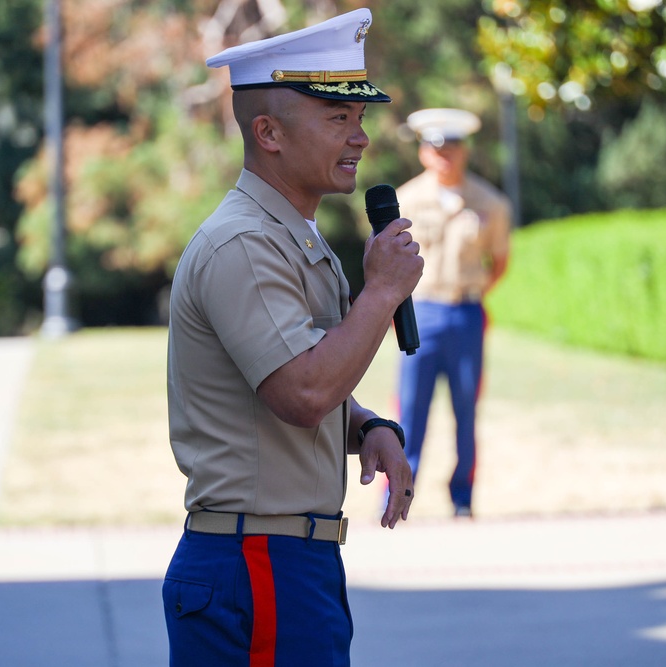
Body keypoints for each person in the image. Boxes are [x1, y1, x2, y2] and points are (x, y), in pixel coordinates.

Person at [163, 9, 422, 666]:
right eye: (337, 118)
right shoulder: (244, 243)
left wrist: (366, 427)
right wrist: (382, 292)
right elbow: (303, 391)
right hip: (257, 557)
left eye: (359, 119)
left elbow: (301, 378)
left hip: (286, 555)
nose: (359, 137)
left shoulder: (289, 234)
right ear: (268, 132)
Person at [394, 108, 512, 519]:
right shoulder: (404, 200)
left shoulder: (489, 202)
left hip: (464, 313)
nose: (445, 155)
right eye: (436, 147)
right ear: (424, 152)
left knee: (465, 411)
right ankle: (397, 497)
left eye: (454, 147)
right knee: (410, 411)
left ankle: (462, 499)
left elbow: (499, 262)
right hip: (420, 313)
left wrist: (475, 293)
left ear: (465, 152)